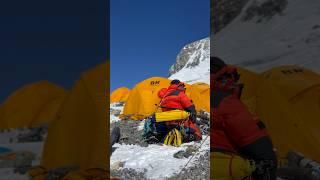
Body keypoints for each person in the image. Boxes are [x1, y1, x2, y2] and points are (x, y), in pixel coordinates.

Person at [211, 56, 277, 180]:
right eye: (229, 77)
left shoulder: (198, 97)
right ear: (221, 78)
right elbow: (258, 144)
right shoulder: (226, 102)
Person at [149, 79, 202, 144]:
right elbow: (189, 106)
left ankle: (165, 135)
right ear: (179, 85)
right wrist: (193, 116)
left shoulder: (165, 96)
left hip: (166, 121)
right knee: (198, 134)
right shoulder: (180, 93)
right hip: (179, 119)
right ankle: (186, 136)